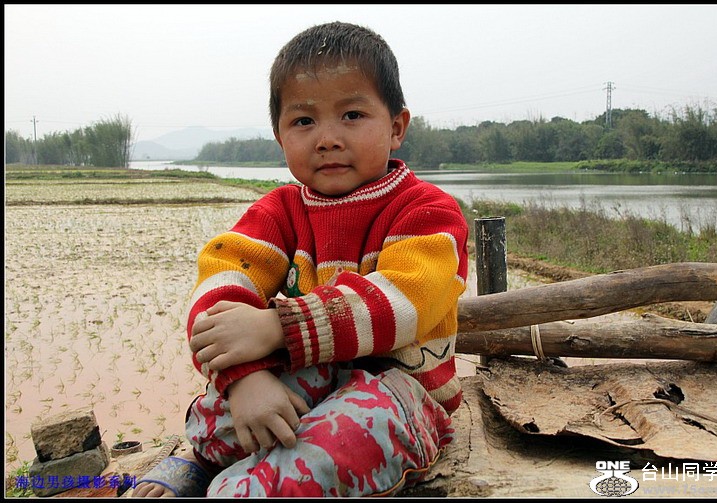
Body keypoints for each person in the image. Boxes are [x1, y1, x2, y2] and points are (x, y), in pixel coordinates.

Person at [133, 20, 469, 498]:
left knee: (347, 436)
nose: (327, 138)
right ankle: (205, 459)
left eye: (352, 115)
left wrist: (277, 327)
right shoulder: (281, 211)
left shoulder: (427, 212)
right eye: (304, 121)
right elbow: (219, 288)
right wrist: (244, 379)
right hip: (316, 374)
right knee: (214, 418)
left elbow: (406, 301)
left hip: (401, 393)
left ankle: (240, 486)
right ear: (280, 136)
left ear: (396, 127)